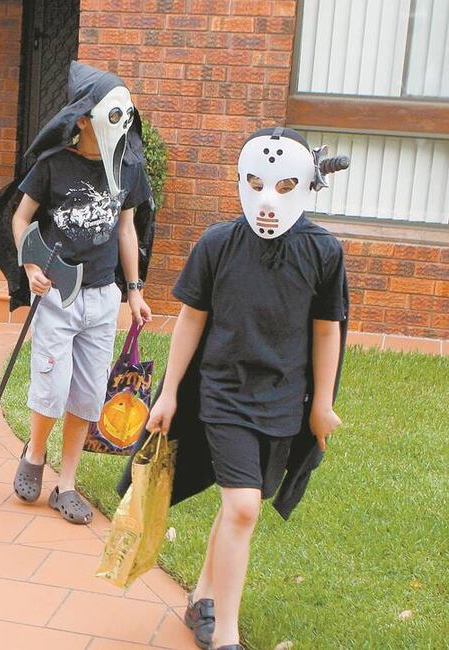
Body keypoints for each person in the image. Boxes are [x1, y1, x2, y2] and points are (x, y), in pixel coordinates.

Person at [140, 127, 348, 650]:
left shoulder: (323, 251)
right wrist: (169, 392)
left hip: (283, 398)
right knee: (243, 508)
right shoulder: (217, 243)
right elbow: (191, 319)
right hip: (224, 393)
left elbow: (328, 329)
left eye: (283, 186)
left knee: (240, 502)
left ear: (307, 183)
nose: (267, 198)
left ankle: (203, 597)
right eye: (255, 183)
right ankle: (227, 636)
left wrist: (322, 404)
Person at [0, 62, 155, 525]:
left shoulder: (128, 166)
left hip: (102, 298)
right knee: (52, 388)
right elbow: (20, 218)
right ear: (84, 119)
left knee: (87, 396)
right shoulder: (53, 165)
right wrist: (30, 265)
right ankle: (36, 452)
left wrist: (134, 290)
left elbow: (127, 230)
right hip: (57, 295)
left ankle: (68, 484)